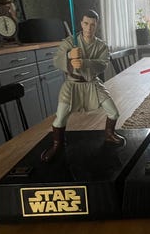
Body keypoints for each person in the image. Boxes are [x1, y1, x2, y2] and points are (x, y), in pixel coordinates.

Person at [41, 10, 124, 162]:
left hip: (92, 83)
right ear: (81, 23)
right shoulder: (69, 42)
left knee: (113, 112)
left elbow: (103, 64)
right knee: (60, 118)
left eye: (92, 25)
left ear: (96, 25)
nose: (89, 28)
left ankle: (109, 134)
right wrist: (69, 55)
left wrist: (85, 62)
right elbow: (56, 60)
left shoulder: (101, 45)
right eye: (86, 23)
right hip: (72, 84)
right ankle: (57, 145)